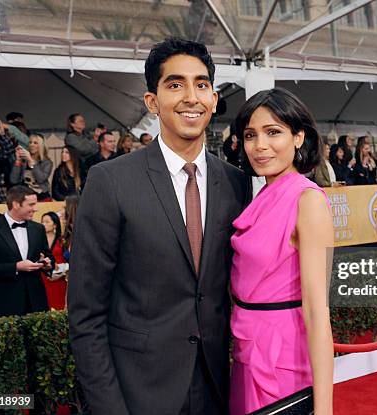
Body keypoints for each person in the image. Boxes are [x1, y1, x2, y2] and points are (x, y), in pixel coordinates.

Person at [68, 37, 250, 415]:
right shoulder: (110, 181)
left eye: (202, 85)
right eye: (175, 84)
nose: (191, 96)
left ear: (214, 99)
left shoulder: (236, 184)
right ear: (152, 102)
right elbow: (86, 313)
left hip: (216, 389)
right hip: (139, 394)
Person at [231, 87, 333, 415]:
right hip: (246, 348)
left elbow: (318, 310)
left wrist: (324, 409)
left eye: (273, 132)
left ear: (299, 137)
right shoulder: (261, 194)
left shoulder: (309, 200)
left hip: (281, 360)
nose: (260, 146)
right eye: (250, 135)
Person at [0, 186, 54, 319]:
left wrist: (47, 264)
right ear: (16, 204)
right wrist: (15, 267)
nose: (36, 208)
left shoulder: (38, 229)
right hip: (3, 306)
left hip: (36, 305)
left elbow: (47, 255)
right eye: (31, 204)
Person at [10, 134, 53, 201]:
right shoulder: (24, 160)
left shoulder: (47, 162)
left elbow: (41, 179)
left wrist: (31, 161)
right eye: (30, 142)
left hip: (42, 197)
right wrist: (18, 161)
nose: (31, 145)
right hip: (25, 197)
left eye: (35, 143)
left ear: (41, 146)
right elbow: (13, 180)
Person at [41, 212, 67, 310]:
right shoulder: (38, 240)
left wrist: (63, 271)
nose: (44, 224)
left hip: (61, 277)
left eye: (47, 222)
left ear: (55, 224)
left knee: (60, 307)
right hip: (45, 278)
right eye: (42, 222)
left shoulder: (62, 240)